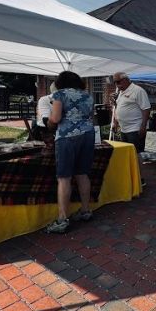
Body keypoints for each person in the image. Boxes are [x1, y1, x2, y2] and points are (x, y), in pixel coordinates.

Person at [45, 71, 94, 234]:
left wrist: (48, 122)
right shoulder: (88, 95)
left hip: (67, 137)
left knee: (64, 177)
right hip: (87, 134)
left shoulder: (59, 94)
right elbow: (89, 116)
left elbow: (56, 118)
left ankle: (62, 219)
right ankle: (86, 211)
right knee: (82, 174)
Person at [112, 72, 151, 186]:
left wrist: (143, 126)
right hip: (124, 129)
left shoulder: (138, 90)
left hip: (135, 128)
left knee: (136, 153)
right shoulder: (121, 92)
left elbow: (146, 109)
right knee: (127, 153)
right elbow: (118, 108)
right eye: (115, 82)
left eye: (118, 82)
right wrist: (115, 122)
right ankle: (131, 177)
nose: (117, 84)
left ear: (126, 79)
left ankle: (140, 179)